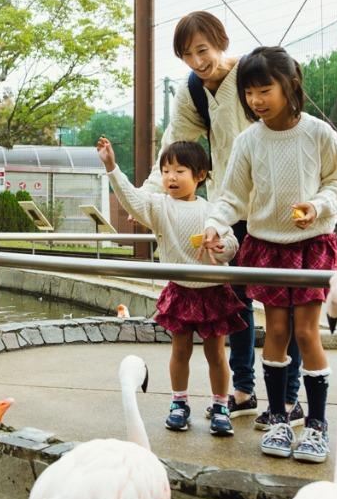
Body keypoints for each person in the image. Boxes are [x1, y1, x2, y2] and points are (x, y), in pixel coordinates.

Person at [144, 11, 303, 430]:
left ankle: (289, 397)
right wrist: (149, 196)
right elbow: (173, 149)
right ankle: (245, 391)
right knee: (236, 305)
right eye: (187, 54)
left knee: (286, 304)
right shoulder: (193, 91)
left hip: (276, 210)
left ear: (221, 41)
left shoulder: (250, 77)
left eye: (204, 49)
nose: (198, 61)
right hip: (230, 211)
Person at [201, 46, 337, 463]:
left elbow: (336, 183)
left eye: (264, 90)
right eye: (249, 93)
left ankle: (317, 425)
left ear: (290, 86)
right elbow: (231, 195)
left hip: (310, 246)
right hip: (266, 246)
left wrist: (316, 207)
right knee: (277, 331)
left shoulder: (319, 133)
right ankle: (279, 417)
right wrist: (215, 223)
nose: (256, 101)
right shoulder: (249, 141)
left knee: (307, 333)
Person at [99, 136, 243, 437]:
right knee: (180, 351)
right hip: (180, 289)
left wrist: (220, 246)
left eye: (179, 171)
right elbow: (132, 199)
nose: (171, 177)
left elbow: (232, 243)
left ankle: (220, 406)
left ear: (200, 175)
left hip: (213, 288)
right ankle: (179, 403)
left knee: (217, 354)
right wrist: (112, 167)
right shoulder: (158, 207)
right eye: (166, 170)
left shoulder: (212, 210)